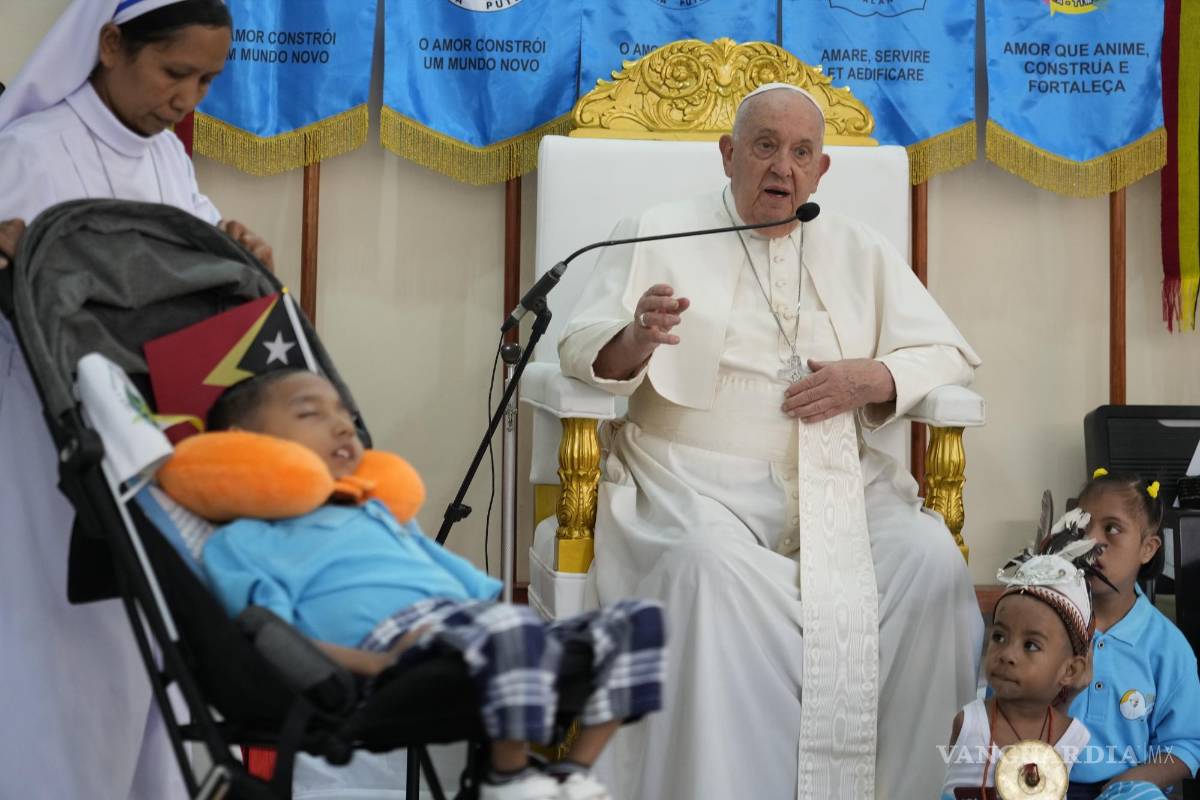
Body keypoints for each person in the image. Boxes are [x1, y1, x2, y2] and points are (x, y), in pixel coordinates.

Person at [558, 82, 984, 799]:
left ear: (821, 170)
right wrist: (634, 337)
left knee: (930, 558)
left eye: (801, 152)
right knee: (705, 567)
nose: (782, 167)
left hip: (838, 480)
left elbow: (947, 351)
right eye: (764, 146)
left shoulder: (859, 248)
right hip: (689, 479)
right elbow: (578, 347)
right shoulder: (658, 231)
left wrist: (874, 377)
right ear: (729, 155)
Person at [0, 2, 274, 797]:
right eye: (174, 73)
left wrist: (238, 255)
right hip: (40, 439)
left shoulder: (166, 159)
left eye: (207, 81)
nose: (186, 98)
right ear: (112, 44)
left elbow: (188, 279)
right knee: (60, 642)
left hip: (153, 435)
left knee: (146, 638)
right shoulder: (27, 151)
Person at [196, 368, 668, 800]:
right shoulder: (246, 539)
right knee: (508, 627)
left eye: (346, 414)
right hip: (395, 656)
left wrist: (516, 633)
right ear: (244, 444)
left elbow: (472, 591)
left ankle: (572, 774)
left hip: (465, 629)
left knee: (639, 620)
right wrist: (378, 664)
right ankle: (507, 777)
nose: (342, 426)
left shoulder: (372, 512)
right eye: (310, 413)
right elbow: (268, 638)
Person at [1066, 470, 1200, 798]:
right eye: (1081, 528)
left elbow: (1185, 744)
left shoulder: (1168, 647)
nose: (1091, 542)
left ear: (1147, 548)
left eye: (1112, 529)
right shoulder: (1043, 624)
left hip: (1124, 788)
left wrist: (1126, 785)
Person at [941, 515, 1096, 799]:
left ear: (1071, 670)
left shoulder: (1072, 736)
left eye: (1031, 645)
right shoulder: (969, 724)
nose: (1007, 655)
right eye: (999, 637)